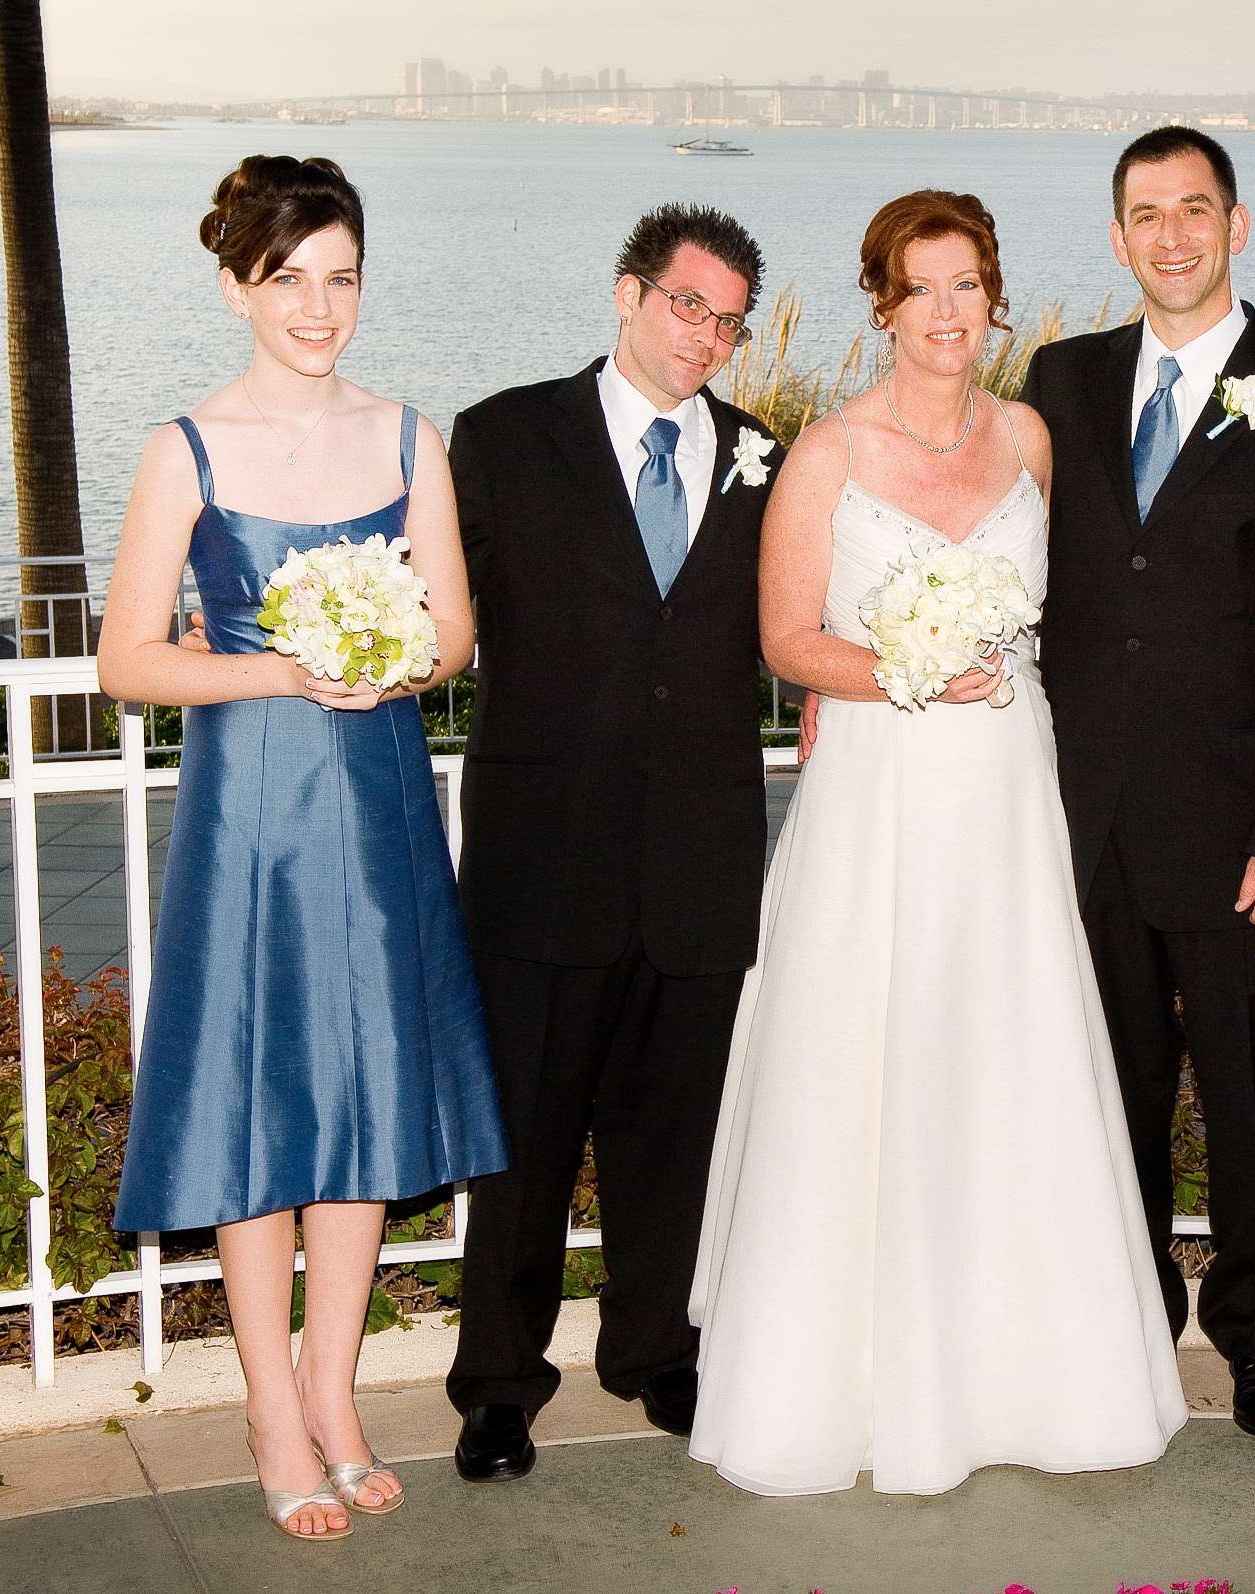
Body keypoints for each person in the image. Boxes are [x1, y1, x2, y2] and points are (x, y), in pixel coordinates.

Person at [688, 190, 1188, 1497]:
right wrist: (901, 665)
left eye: (970, 284)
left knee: (1007, 1050)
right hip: (883, 787)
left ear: (994, 295)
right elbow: (788, 639)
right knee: (875, 1051)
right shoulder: (826, 454)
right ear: (884, 304)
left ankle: (1028, 1371)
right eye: (924, 289)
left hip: (1011, 788)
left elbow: (1104, 595)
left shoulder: (1033, 434)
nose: (950, 311)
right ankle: (853, 1381)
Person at [103, 155, 506, 1541]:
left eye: (342, 278)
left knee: (363, 1103)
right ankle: (271, 1404)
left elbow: (453, 630)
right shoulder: (188, 449)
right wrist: (284, 671)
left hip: (379, 796)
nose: (320, 307)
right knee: (265, 1105)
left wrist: (394, 654)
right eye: (291, 281)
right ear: (237, 286)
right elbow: (128, 661)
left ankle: (334, 1391)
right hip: (253, 814)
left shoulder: (407, 437)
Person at [1016, 127, 1255, 1439]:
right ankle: (1118, 1316)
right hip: (1082, 815)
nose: (1170, 235)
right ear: (1117, 237)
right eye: (1145, 214)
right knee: (1100, 1080)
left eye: (1194, 210)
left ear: (1238, 224)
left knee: (1252, 1089)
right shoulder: (1057, 380)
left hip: (1245, 829)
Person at [442, 205, 778, 1481]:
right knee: (521, 1144)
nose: (707, 337)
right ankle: (496, 1386)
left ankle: (656, 1350)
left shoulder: (764, 456)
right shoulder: (505, 436)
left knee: (674, 1134)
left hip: (698, 863)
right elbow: (439, 612)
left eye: (729, 319)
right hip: (545, 857)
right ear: (629, 293)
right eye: (688, 305)